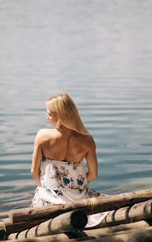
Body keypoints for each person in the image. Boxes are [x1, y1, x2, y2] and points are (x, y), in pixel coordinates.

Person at [31, 93, 108, 227]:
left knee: (38, 197)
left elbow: (34, 171)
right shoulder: (87, 140)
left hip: (49, 200)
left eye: (49, 114)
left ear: (60, 116)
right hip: (78, 199)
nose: (46, 117)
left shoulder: (42, 135)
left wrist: (41, 187)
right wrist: (75, 187)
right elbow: (93, 175)